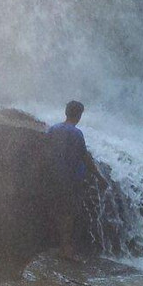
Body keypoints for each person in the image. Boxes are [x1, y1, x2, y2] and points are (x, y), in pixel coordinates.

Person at [46, 100, 107, 261]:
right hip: (71, 180)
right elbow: (84, 156)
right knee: (69, 215)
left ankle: (60, 246)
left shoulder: (53, 129)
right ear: (79, 115)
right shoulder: (76, 133)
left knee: (59, 211)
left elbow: (45, 151)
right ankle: (66, 250)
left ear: (66, 112)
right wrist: (99, 177)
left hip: (55, 177)